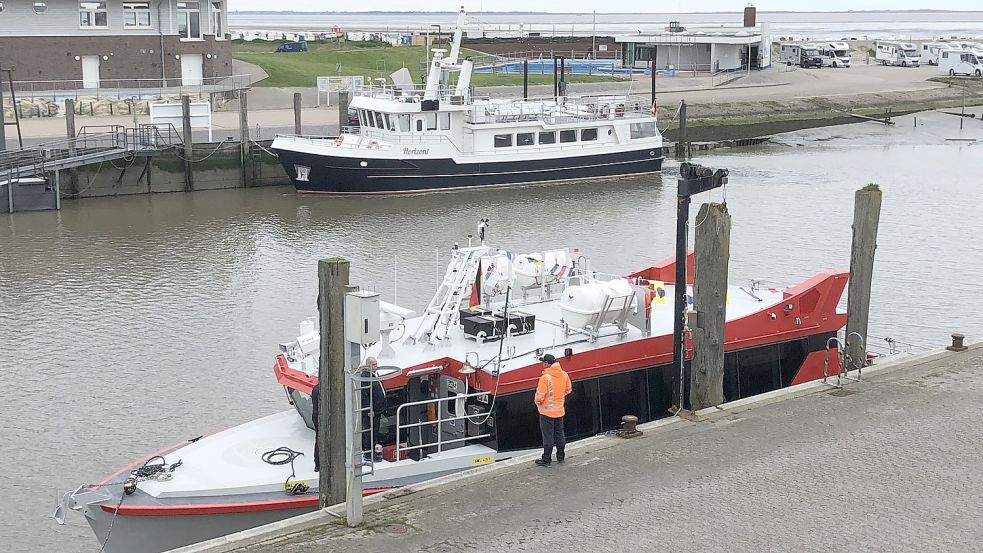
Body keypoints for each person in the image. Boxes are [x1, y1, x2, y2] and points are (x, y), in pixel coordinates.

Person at [533, 353, 572, 466]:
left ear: (547, 364)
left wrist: (538, 403)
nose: (542, 364)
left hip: (546, 412)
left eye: (543, 362)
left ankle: (546, 459)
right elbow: (568, 390)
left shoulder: (545, 378)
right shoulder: (564, 374)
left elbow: (539, 396)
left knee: (548, 436)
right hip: (559, 411)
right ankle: (561, 457)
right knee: (560, 434)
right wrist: (559, 399)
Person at [361, 357, 389, 463]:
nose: (375, 366)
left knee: (374, 431)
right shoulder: (365, 377)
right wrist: (369, 409)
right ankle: (368, 453)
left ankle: (372, 451)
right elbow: (364, 395)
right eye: (373, 364)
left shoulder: (374, 374)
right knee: (370, 432)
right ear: (367, 365)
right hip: (371, 412)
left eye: (376, 364)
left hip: (378, 409)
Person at [311, 382, 321, 472]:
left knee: (318, 439)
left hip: (315, 415)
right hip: (320, 417)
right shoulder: (321, 390)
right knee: (320, 440)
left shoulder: (315, 389)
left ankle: (317, 464)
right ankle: (318, 464)